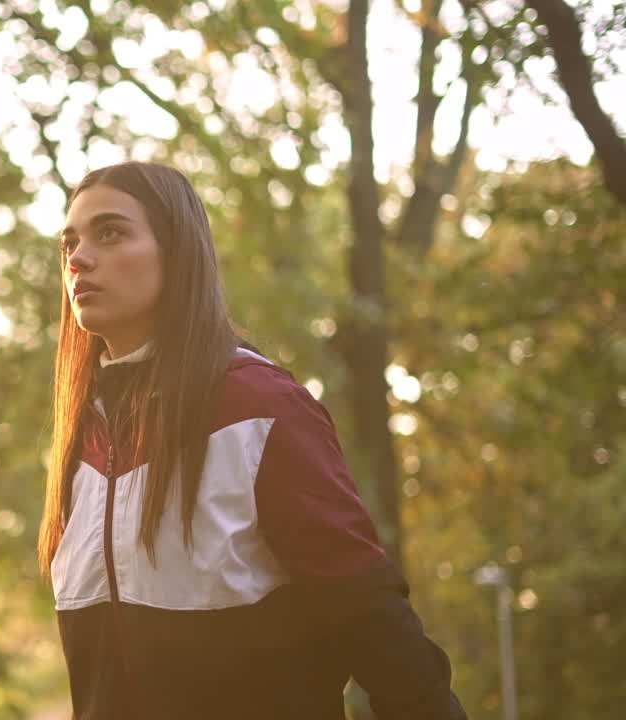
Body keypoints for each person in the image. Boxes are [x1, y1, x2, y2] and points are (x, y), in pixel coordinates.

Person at [38, 161, 466, 719]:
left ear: (177, 252)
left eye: (110, 233)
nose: (79, 258)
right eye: (70, 242)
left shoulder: (257, 406)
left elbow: (368, 617)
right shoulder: (82, 438)